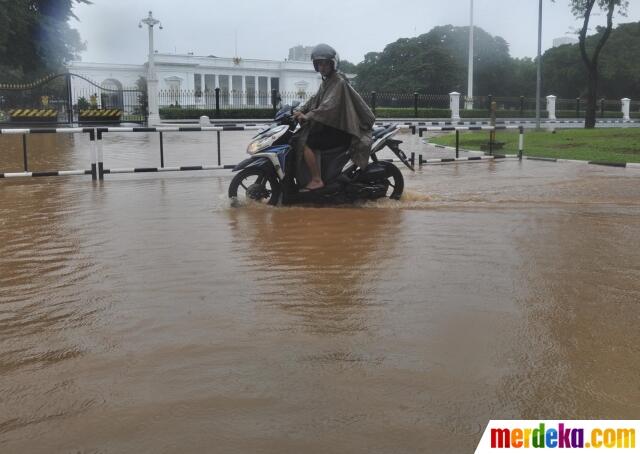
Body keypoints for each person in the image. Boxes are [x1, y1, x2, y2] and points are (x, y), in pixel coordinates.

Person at [293, 43, 375, 191]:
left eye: (325, 64)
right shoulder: (327, 82)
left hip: (342, 130)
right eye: (319, 64)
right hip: (333, 128)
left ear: (333, 64)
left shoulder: (339, 82)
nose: (322, 67)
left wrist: (308, 116)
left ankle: (317, 179)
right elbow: (314, 99)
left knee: (305, 142)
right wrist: (298, 110)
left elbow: (328, 106)